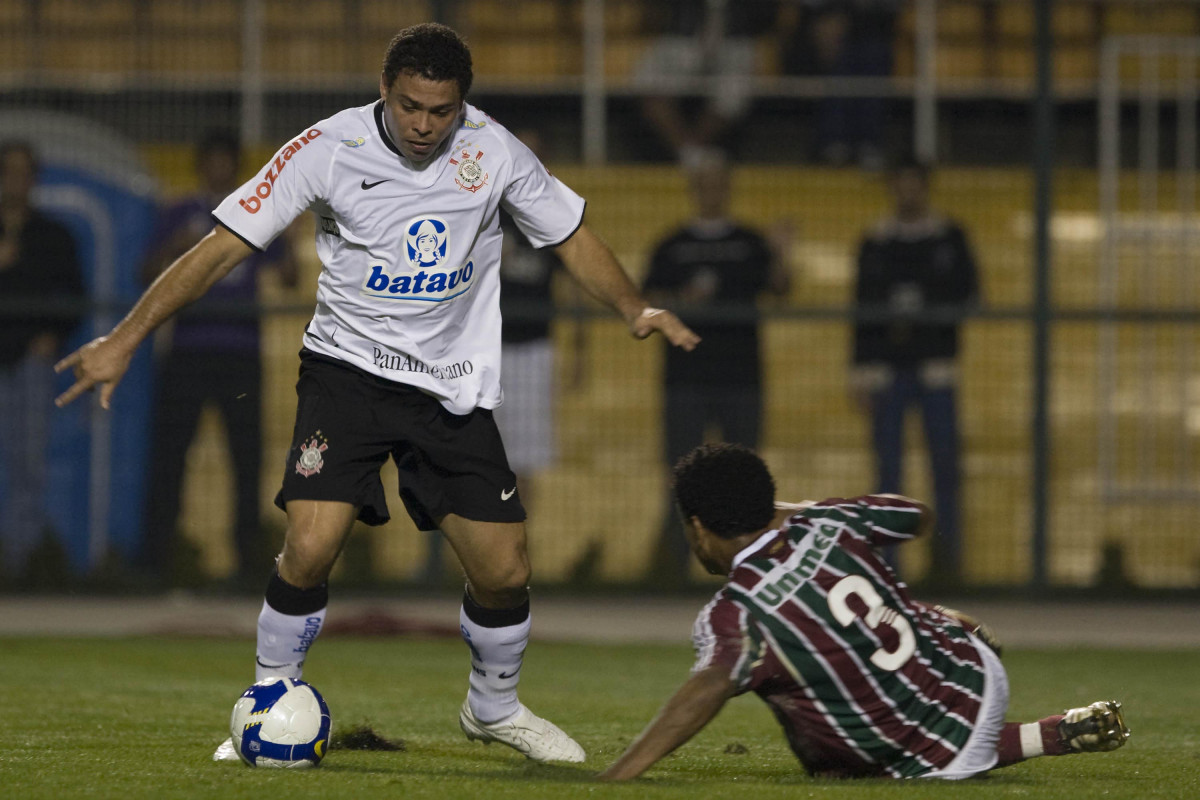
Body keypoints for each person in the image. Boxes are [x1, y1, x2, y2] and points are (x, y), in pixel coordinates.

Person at [54, 23, 698, 764]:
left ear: (462, 105)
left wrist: (633, 307)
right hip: (347, 373)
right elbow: (222, 247)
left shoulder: (495, 150)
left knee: (505, 570)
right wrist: (125, 339)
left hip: (450, 388)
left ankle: (492, 708)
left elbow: (571, 236)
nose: (425, 125)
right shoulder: (324, 148)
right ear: (384, 92)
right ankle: (267, 702)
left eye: (441, 111)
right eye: (410, 107)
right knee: (311, 544)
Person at [599, 442, 1131, 781]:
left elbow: (709, 687)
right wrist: (796, 512)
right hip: (977, 675)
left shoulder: (735, 613)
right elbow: (916, 516)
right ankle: (1042, 730)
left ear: (696, 527)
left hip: (921, 762)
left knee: (810, 727)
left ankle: (923, 658)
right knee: (839, 638)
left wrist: (619, 776)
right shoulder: (830, 521)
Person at [420, 128, 583, 584]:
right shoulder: (481, 205)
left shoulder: (549, 214)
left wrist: (579, 352)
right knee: (456, 448)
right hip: (478, 350)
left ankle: (509, 558)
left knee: (523, 461)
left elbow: (571, 285)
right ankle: (449, 559)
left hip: (533, 349)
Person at [140, 130, 298, 588]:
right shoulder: (179, 213)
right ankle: (155, 563)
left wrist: (286, 234)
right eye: (213, 161)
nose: (219, 169)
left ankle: (247, 564)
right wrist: (177, 248)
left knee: (246, 461)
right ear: (201, 165)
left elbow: (288, 278)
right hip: (188, 350)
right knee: (169, 458)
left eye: (226, 161)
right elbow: (145, 271)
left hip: (240, 353)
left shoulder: (256, 210)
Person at [642, 149, 789, 583]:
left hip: (740, 378)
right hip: (685, 379)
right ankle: (673, 572)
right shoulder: (672, 245)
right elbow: (648, 304)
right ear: (694, 189)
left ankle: (748, 573)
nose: (711, 191)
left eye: (717, 182)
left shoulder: (750, 241)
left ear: (728, 188)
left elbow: (780, 288)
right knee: (680, 479)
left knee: (745, 484)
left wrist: (782, 253)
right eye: (703, 183)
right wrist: (679, 304)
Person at [850, 158, 979, 586]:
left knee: (944, 467)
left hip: (936, 369)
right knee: (888, 478)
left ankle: (948, 563)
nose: (907, 193)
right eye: (900, 184)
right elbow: (861, 311)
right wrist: (860, 371)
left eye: (914, 185)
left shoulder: (949, 236)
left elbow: (970, 294)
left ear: (925, 188)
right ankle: (889, 570)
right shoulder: (877, 241)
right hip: (887, 373)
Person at [0, 140, 85, 582]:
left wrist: (53, 336)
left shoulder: (52, 235)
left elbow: (76, 296)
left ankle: (19, 565)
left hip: (29, 364)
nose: (16, 181)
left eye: (23, 172)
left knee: (28, 462)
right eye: (8, 171)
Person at [633, 0, 776, 162]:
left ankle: (691, 150)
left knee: (736, 89)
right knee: (649, 83)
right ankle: (691, 154)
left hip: (735, 43)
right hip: (682, 40)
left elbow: (768, 14)